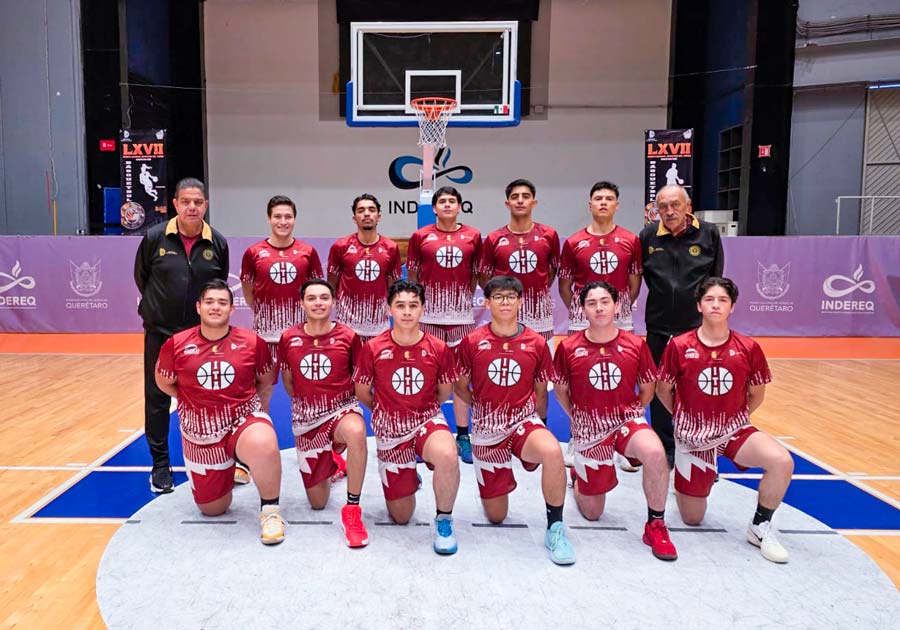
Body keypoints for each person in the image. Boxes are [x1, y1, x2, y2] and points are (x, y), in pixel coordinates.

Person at [656, 277, 793, 563]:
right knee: (693, 518)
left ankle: (760, 526)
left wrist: (731, 420)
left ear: (732, 306)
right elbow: (663, 390)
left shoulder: (748, 347)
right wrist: (687, 422)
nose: (715, 305)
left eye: (722, 300)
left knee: (781, 461)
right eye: (709, 299)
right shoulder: (679, 346)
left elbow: (756, 394)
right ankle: (686, 474)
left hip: (733, 429)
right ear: (698, 305)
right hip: (692, 438)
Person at [455, 276, 575, 565]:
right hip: (486, 430)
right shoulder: (472, 341)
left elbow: (540, 391)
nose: (505, 302)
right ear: (487, 303)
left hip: (523, 422)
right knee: (496, 516)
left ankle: (556, 527)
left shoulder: (535, 342)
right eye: (498, 297)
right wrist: (479, 405)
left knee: (552, 450)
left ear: (521, 301)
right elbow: (460, 385)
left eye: (511, 297)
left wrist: (541, 426)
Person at [155, 279, 285, 545]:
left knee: (264, 442)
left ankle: (270, 511)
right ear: (198, 307)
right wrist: (194, 399)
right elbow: (164, 380)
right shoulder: (176, 344)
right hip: (200, 432)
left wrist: (254, 413)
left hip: (241, 418)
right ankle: (229, 469)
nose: (216, 307)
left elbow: (265, 380)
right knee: (213, 509)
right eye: (210, 302)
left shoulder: (252, 342)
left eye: (222, 302)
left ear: (231, 309)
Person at [553, 281, 677, 561]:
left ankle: (655, 524)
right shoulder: (569, 347)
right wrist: (579, 418)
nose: (599, 308)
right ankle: (579, 477)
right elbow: (561, 390)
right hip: (589, 429)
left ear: (617, 305)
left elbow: (648, 388)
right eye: (592, 303)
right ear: (582, 309)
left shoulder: (635, 344)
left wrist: (633, 415)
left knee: (655, 451)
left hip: (625, 421)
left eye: (605, 301)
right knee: (593, 513)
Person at [134, 177, 229, 494]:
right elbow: (142, 278)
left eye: (198, 202)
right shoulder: (154, 237)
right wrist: (158, 310)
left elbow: (217, 289)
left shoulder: (216, 242)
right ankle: (160, 465)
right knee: (158, 399)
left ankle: (216, 459)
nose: (192, 207)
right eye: (185, 201)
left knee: (209, 397)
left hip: (201, 338)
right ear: (174, 204)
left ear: (206, 205)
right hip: (160, 335)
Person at [353, 281, 461, 555]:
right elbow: (363, 392)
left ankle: (444, 520)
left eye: (413, 305)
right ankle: (410, 477)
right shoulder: (374, 348)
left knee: (448, 454)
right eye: (400, 305)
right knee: (401, 517)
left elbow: (444, 390)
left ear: (422, 309)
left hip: (426, 420)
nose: (407, 312)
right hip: (390, 430)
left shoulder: (438, 347)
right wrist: (388, 410)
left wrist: (421, 411)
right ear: (390, 309)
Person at [558, 181, 643, 471]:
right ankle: (577, 437)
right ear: (590, 205)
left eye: (609, 198)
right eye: (598, 198)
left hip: (619, 316)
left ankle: (621, 440)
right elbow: (565, 284)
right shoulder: (573, 242)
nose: (603, 203)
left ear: (617, 205)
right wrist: (584, 309)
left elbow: (634, 284)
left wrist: (614, 309)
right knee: (580, 378)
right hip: (583, 317)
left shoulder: (630, 240)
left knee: (622, 376)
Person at [279, 279, 369, 547]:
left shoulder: (349, 336)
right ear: (302, 303)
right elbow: (289, 382)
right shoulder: (288, 338)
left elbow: (359, 378)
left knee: (356, 431)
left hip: (342, 410)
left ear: (333, 302)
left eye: (324, 297)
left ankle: (352, 509)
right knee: (318, 503)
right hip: (307, 419)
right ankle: (336, 464)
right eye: (312, 298)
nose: (318, 302)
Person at [640, 184, 724, 468]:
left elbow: (714, 279)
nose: (669, 211)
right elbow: (649, 279)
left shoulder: (709, 233)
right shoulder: (648, 235)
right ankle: (666, 445)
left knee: (695, 387)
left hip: (695, 328)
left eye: (675, 205)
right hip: (659, 326)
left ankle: (699, 445)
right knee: (658, 387)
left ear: (688, 206)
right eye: (663, 206)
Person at [406, 186, 482, 465]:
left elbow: (475, 275)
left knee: (461, 378)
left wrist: (460, 301)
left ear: (460, 206)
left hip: (461, 318)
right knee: (425, 376)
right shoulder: (420, 236)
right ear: (434, 208)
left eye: (452, 201)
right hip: (429, 319)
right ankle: (420, 431)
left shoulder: (473, 236)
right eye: (442, 201)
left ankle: (463, 435)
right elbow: (413, 274)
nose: (447, 205)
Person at [240, 194, 324, 412]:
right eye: (278, 216)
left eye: (288, 216)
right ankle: (261, 439)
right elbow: (249, 292)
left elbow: (316, 291)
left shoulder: (308, 252)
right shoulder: (253, 253)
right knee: (263, 391)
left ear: (294, 220)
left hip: (299, 335)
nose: (283, 221)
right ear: (269, 219)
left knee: (305, 389)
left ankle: (313, 438)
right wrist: (266, 315)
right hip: (265, 337)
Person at [480, 179, 560, 342]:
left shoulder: (549, 235)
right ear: (507, 203)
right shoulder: (494, 238)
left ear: (534, 202)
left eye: (526, 196)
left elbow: (550, 274)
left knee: (542, 365)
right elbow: (485, 279)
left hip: (539, 315)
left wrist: (534, 290)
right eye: (515, 197)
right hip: (505, 314)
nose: (520, 200)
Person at [328, 194, 402, 342]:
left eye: (371, 209)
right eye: (361, 210)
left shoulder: (391, 248)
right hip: (347, 327)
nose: (366, 213)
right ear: (354, 218)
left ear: (379, 216)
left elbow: (394, 287)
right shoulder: (341, 247)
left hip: (380, 327)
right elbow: (331, 285)